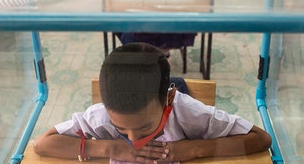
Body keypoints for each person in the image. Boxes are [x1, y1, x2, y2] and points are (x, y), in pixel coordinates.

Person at [33, 43, 272, 162]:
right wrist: (113, 147)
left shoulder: (187, 111)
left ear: (169, 98)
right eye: (120, 129)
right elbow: (43, 144)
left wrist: (193, 148)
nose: (135, 141)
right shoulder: (102, 116)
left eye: (145, 128)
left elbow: (261, 139)